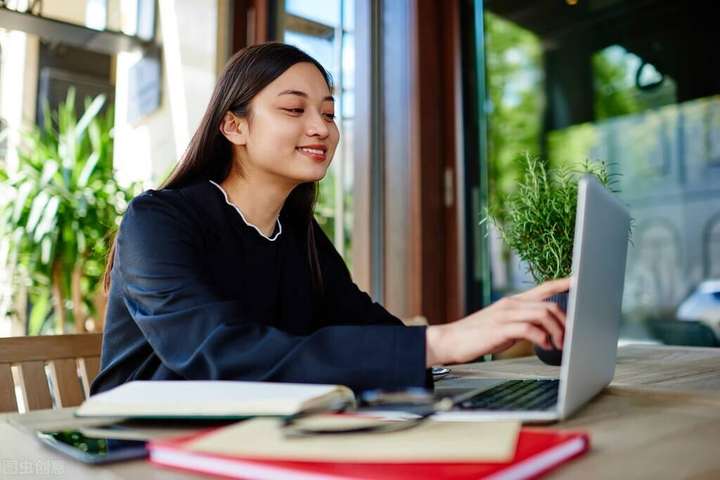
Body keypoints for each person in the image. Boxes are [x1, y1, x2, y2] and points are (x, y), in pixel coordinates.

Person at [90, 43, 568, 395]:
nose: (321, 128)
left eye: (329, 112)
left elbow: (367, 327)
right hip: (142, 449)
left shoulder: (297, 234)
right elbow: (218, 352)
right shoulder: (157, 220)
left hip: (263, 437)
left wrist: (504, 326)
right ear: (234, 125)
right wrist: (440, 342)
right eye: (294, 109)